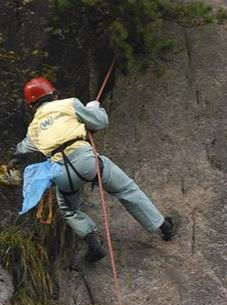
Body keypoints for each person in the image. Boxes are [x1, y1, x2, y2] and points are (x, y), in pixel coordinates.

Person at [10, 77, 177, 262]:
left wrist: (12, 163)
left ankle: (93, 242)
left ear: (31, 106)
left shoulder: (33, 129)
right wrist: (93, 108)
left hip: (61, 174)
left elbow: (21, 151)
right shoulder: (68, 104)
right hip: (87, 161)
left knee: (69, 210)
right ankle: (163, 227)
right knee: (126, 189)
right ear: (54, 94)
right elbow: (99, 122)